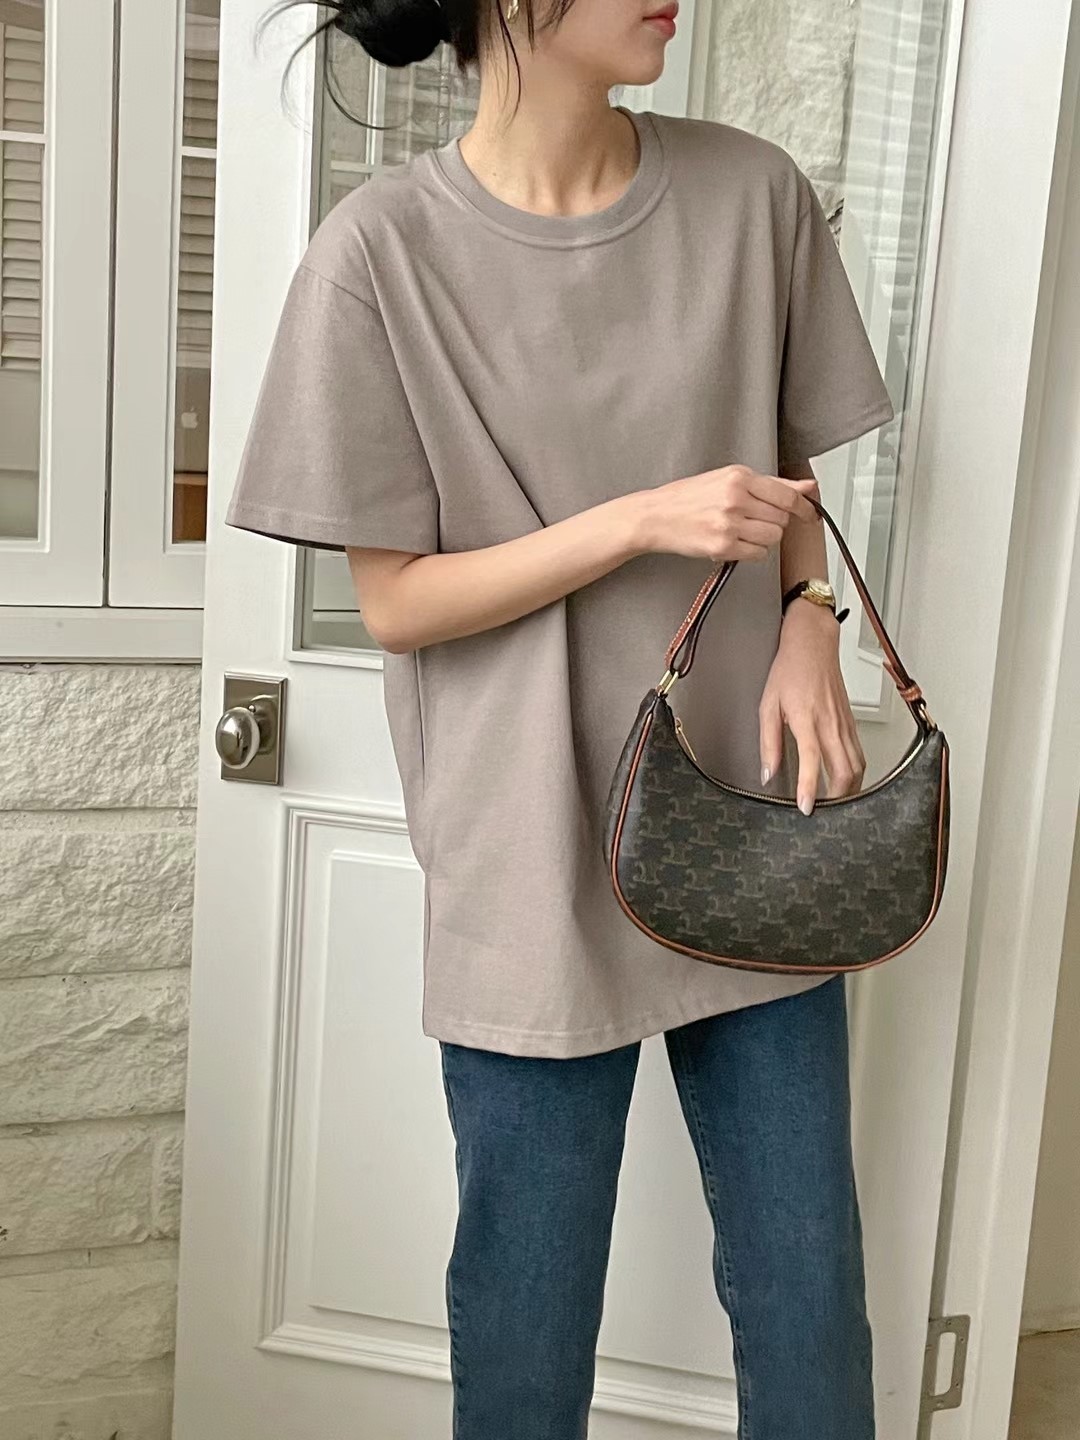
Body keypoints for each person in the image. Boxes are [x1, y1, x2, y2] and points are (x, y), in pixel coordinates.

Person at [224, 0, 896, 1431]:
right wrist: (638, 520)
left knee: (810, 1300)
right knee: (525, 1329)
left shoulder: (752, 196)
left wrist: (807, 619)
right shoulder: (379, 256)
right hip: (525, 844)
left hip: (753, 820)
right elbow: (398, 602)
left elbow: (788, 471)